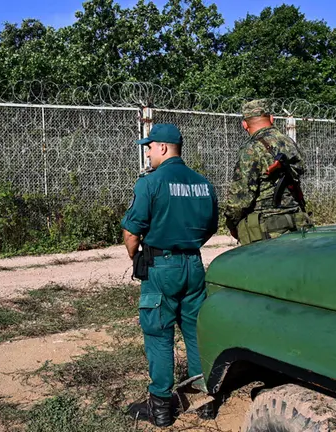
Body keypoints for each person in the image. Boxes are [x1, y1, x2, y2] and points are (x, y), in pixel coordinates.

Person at [120, 123, 219, 427]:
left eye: (149, 147)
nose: (148, 153)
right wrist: (188, 247)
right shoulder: (203, 184)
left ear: (162, 147)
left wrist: (137, 257)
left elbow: (131, 232)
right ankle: (204, 399)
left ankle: (160, 406)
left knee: (159, 333)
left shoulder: (150, 183)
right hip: (194, 265)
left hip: (161, 267)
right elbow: (211, 227)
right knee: (195, 331)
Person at [224, 99, 311, 245]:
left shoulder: (251, 149)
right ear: (271, 118)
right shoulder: (289, 143)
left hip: (267, 230)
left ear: (244, 124)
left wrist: (232, 224)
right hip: (297, 221)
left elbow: (241, 197)